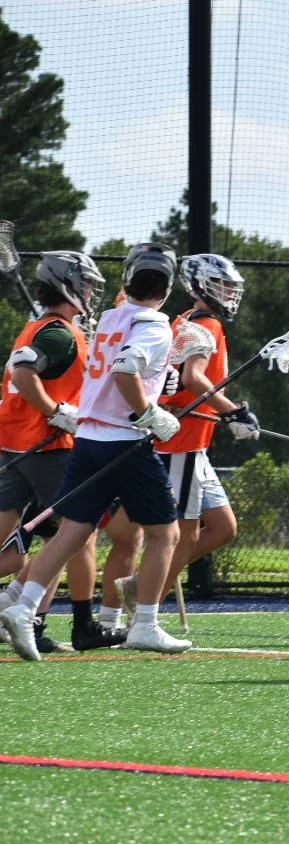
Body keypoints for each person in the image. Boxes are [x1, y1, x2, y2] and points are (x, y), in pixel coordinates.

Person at [0, 243, 189, 659]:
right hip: (123, 442)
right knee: (166, 534)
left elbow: (116, 369)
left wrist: (161, 381)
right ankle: (145, 625)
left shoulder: (110, 318)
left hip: (88, 438)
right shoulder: (155, 324)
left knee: (72, 531)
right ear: (168, 286)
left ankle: (22, 607)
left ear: (127, 280)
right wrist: (150, 413)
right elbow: (125, 370)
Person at [109, 254, 258, 624]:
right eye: (223, 285)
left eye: (231, 286)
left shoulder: (185, 320)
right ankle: (145, 611)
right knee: (183, 536)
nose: (230, 292)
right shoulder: (205, 323)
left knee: (222, 528)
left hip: (193, 444)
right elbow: (194, 377)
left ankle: (141, 585)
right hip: (183, 443)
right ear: (201, 286)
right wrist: (233, 412)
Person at [0, 251, 115, 652]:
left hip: (15, 444)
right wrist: (55, 411)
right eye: (87, 285)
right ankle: (57, 622)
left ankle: (23, 610)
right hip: (47, 448)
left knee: (13, 545)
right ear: (68, 285)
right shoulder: (58, 333)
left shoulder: (41, 327)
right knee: (77, 532)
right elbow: (23, 373)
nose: (91, 293)